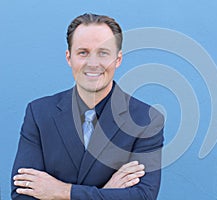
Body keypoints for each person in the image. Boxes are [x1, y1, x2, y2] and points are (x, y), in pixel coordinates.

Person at [11, 13, 164, 200]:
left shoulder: (146, 120)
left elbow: (143, 196)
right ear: (69, 58)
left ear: (118, 59)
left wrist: (62, 192)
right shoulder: (39, 113)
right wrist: (107, 192)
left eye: (103, 53)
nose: (93, 64)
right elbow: (22, 195)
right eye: (83, 52)